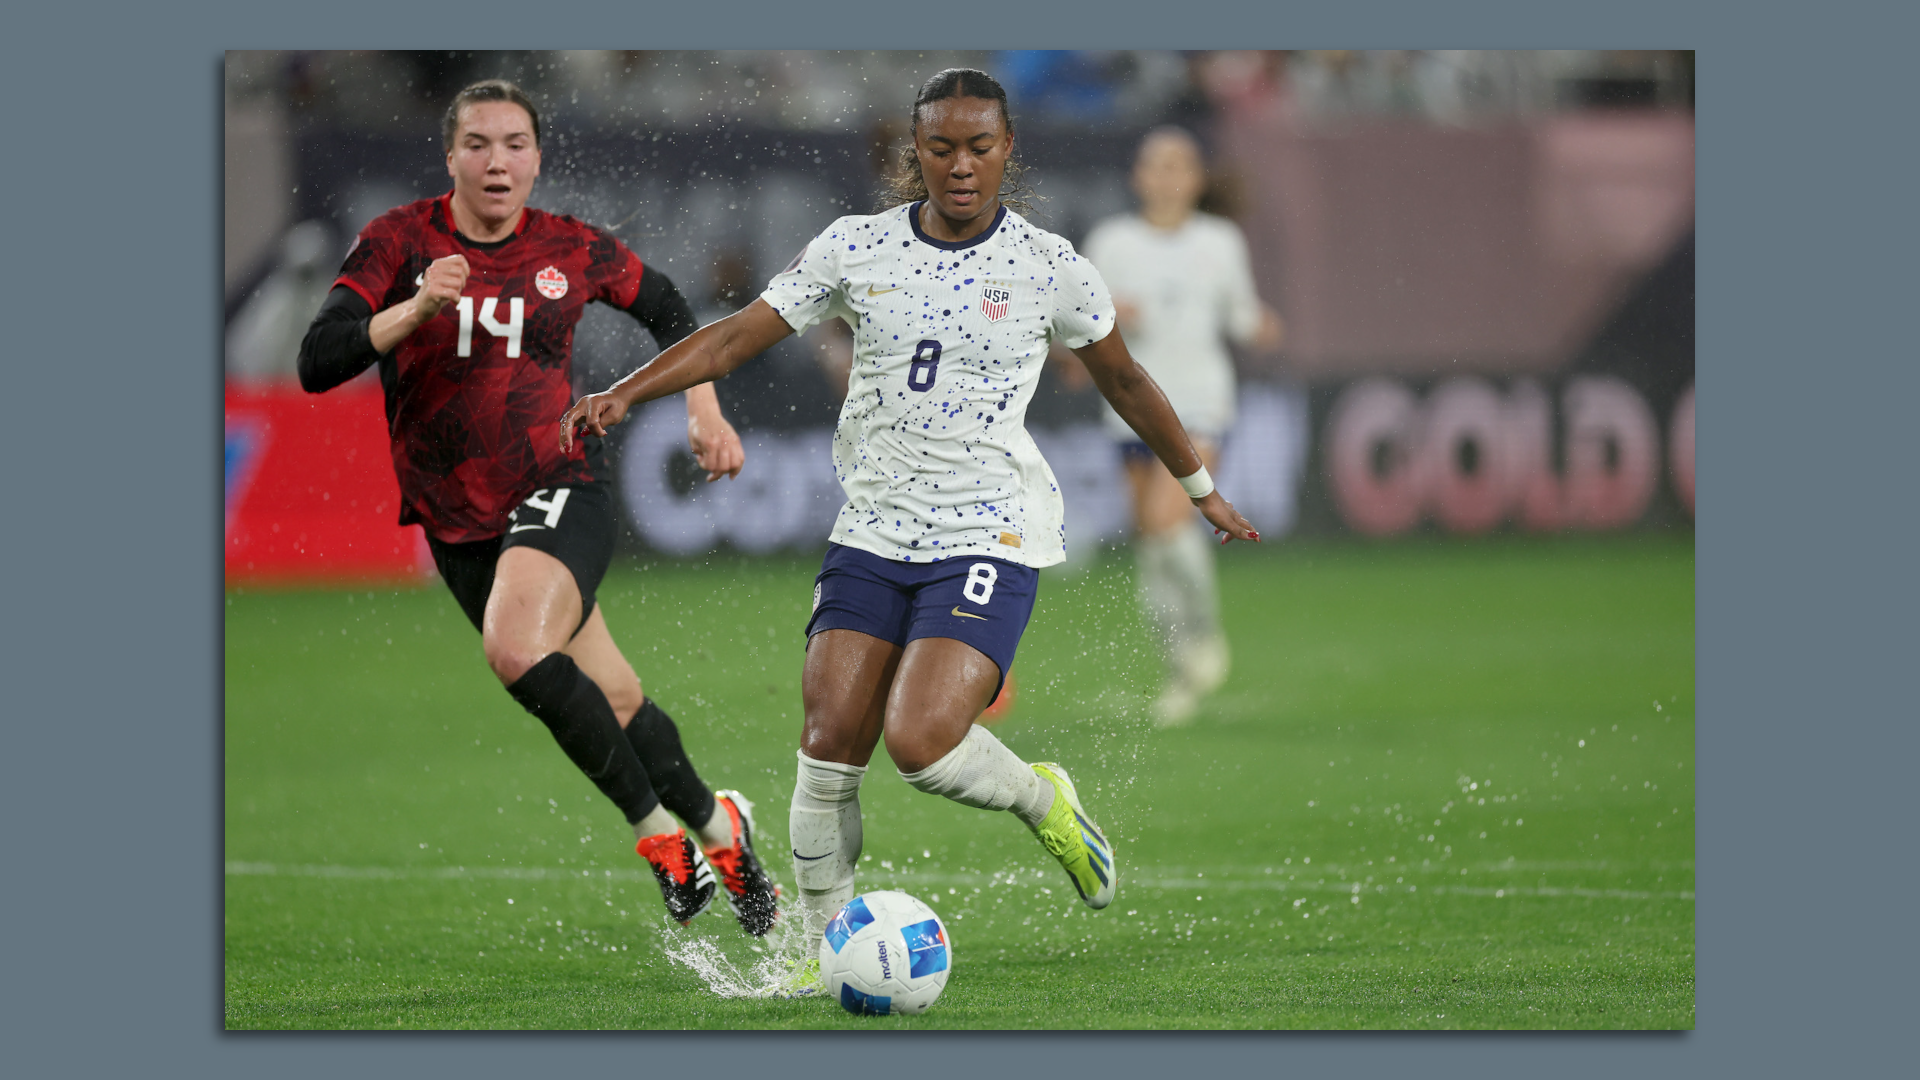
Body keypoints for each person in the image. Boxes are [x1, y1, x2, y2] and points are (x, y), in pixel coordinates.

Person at [559, 68, 1259, 978]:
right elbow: (736, 335)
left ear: (1008, 150)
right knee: (826, 743)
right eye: (940, 148)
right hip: (876, 527)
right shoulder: (855, 248)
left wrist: (1198, 484)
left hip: (988, 527)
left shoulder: (1050, 266)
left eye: (978, 147)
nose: (960, 165)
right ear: (914, 154)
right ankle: (821, 950)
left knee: (922, 743)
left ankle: (1043, 802)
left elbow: (1126, 380)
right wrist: (623, 392)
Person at [295, 79, 780, 936]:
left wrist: (704, 410)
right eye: (477, 144)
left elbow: (670, 310)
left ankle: (660, 842)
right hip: (455, 521)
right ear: (450, 157)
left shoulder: (571, 246)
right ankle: (719, 827)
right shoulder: (399, 241)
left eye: (514, 144)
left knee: (516, 648)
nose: (497, 161)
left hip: (560, 481)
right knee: (615, 699)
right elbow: (318, 359)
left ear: (536, 158)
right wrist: (416, 307)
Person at [1079, 126, 1284, 727]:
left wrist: (1260, 326)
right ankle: (1179, 674)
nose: (1167, 177)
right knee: (1153, 545)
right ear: (1138, 176)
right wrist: (1110, 321)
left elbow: (1242, 317)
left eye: (1179, 166)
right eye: (1156, 165)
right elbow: (1080, 319)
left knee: (1170, 526)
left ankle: (1204, 636)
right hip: (1129, 405)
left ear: (1196, 179)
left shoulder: (1220, 242)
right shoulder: (1111, 242)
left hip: (1198, 402)